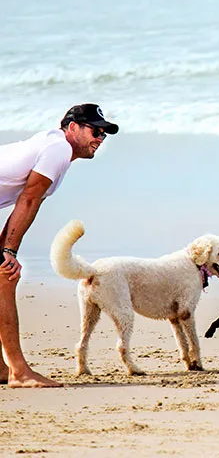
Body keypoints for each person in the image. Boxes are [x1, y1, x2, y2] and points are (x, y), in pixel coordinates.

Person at [0, 103, 118, 388]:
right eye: (95, 130)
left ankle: (5, 369)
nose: (100, 138)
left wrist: (5, 248)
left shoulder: (55, 150)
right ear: (72, 127)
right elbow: (28, 199)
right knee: (5, 277)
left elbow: (27, 201)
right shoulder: (58, 149)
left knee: (2, 273)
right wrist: (9, 253)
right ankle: (18, 372)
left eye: (104, 133)